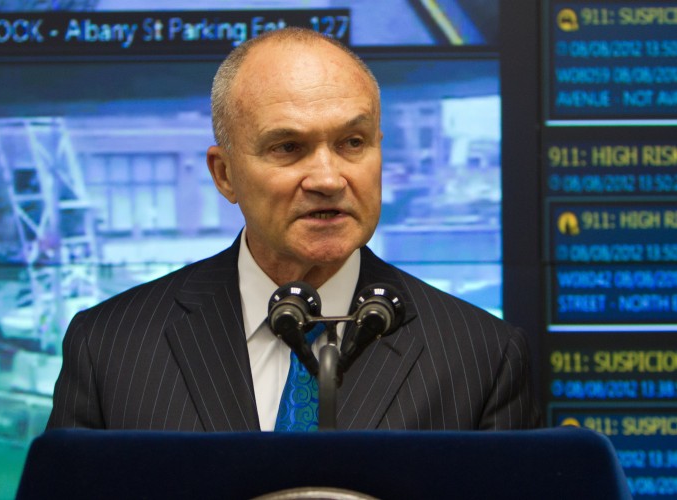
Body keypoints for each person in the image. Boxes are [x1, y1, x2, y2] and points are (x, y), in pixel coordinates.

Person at [47, 27, 540, 432]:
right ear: (224, 175)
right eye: (287, 147)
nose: (328, 179)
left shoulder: (483, 357)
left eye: (352, 142)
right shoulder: (109, 347)